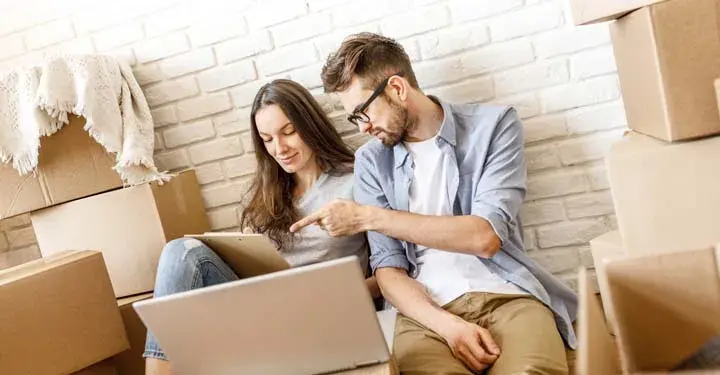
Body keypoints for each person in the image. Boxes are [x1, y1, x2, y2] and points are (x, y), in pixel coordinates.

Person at [291, 32, 577, 375]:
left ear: (397, 89)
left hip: (507, 294)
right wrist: (448, 327)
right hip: (424, 312)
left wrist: (369, 217)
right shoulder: (371, 162)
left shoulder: (494, 127)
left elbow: (483, 238)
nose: (363, 128)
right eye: (355, 119)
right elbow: (388, 272)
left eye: (363, 113)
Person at [144, 79, 378, 375]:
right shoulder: (265, 196)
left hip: (327, 315)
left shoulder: (354, 181)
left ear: (310, 125)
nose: (279, 149)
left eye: (289, 132)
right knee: (181, 252)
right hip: (270, 313)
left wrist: (333, 291)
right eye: (267, 139)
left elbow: (389, 272)